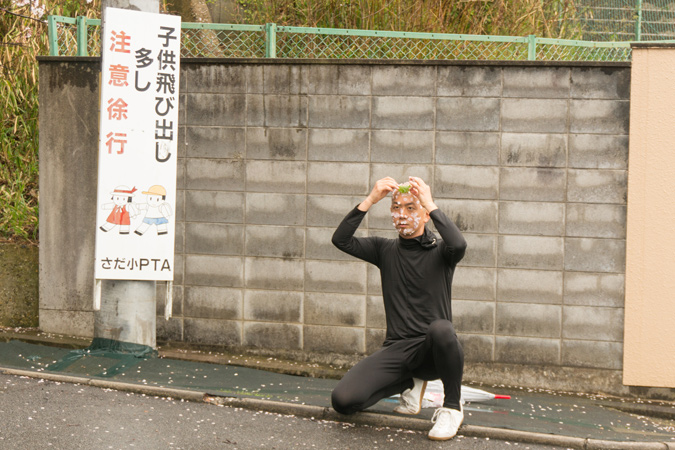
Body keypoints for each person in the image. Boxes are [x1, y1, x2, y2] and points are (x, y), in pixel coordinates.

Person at [330, 176, 467, 441]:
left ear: (426, 216)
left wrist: (429, 202)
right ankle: (409, 383)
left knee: (442, 329)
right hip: (397, 350)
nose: (401, 214)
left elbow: (459, 244)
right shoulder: (384, 249)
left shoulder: (442, 252)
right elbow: (341, 240)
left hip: (432, 352)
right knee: (343, 401)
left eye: (410, 208)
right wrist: (371, 199)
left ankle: (452, 408)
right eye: (396, 208)